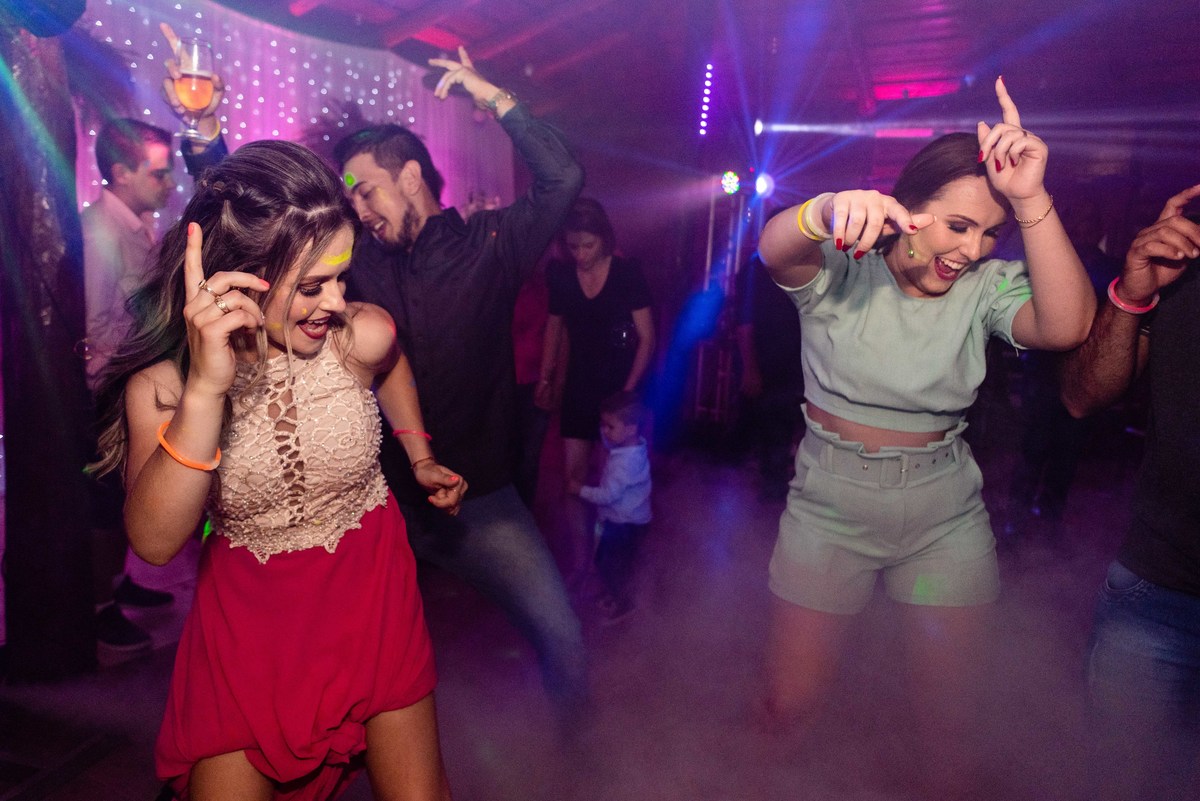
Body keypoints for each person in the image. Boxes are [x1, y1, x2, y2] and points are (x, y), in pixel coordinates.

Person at [90, 140, 462, 800]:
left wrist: (419, 453)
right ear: (240, 279)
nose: (336, 303)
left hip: (373, 592)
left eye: (342, 277)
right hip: (250, 633)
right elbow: (153, 542)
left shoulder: (356, 337)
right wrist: (207, 389)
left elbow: (392, 358)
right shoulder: (164, 386)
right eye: (312, 287)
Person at [755, 78, 1096, 793]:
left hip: (941, 525)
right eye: (957, 226)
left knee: (948, 727)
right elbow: (774, 250)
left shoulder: (986, 287)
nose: (971, 249)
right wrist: (821, 211)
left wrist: (1031, 198)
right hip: (830, 514)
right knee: (789, 709)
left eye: (989, 233)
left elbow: (1067, 326)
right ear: (907, 209)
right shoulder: (842, 268)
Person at [333, 47, 589, 719]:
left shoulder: (490, 245)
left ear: (410, 175)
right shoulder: (356, 261)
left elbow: (562, 177)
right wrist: (205, 140)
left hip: (479, 497)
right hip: (381, 499)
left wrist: (491, 96)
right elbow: (267, 238)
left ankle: (578, 758)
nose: (359, 209)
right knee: (348, 655)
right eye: (351, 197)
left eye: (366, 190)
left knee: (562, 637)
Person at [1059, 183, 1200, 801]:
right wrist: (1133, 295)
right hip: (1158, 592)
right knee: (1120, 780)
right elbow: (1082, 395)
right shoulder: (1184, 263)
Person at [82, 118, 179, 656]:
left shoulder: (138, 224)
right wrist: (110, 394)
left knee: (125, 490)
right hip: (110, 387)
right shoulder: (100, 230)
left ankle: (119, 583)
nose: (168, 182)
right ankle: (99, 607)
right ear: (121, 173)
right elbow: (96, 324)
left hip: (133, 380)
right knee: (104, 499)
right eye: (158, 173)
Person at [537, 198, 655, 587]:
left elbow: (647, 338)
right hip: (578, 386)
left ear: (603, 238)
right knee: (572, 479)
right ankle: (582, 562)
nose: (581, 254)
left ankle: (610, 564)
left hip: (617, 388)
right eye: (573, 246)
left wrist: (627, 395)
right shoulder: (562, 275)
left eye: (588, 245)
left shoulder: (626, 273)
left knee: (612, 482)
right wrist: (546, 379)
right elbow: (554, 329)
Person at [567, 391, 652, 622]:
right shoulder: (634, 447)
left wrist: (579, 490)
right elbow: (611, 441)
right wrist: (609, 432)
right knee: (616, 563)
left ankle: (624, 604)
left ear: (631, 429)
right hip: (630, 521)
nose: (604, 431)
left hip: (624, 524)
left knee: (608, 563)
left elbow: (607, 496)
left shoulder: (626, 463)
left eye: (609, 426)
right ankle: (617, 595)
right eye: (602, 425)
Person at [734, 251, 805, 501]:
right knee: (774, 429)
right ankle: (772, 489)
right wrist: (750, 369)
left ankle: (778, 483)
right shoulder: (755, 270)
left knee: (786, 428)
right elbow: (744, 324)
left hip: (795, 363)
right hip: (769, 364)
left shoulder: (800, 264)